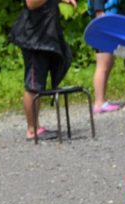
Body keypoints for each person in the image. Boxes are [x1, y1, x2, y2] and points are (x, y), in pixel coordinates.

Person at [8, 0, 76, 141]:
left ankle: (36, 126)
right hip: (34, 39)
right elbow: (32, 3)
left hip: (43, 37)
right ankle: (32, 130)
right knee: (33, 85)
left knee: (37, 84)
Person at [89, 0, 122, 113]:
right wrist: (104, 32)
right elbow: (99, 13)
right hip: (103, 30)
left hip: (109, 29)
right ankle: (99, 103)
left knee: (108, 64)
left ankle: (102, 100)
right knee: (102, 66)